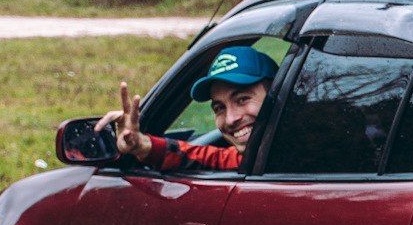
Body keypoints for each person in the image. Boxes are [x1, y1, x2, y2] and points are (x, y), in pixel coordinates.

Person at [97, 45, 279, 171]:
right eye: (219, 108)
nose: (231, 119)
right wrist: (141, 145)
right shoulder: (254, 158)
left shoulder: (299, 157)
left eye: (242, 99)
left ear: (277, 96)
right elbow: (205, 159)